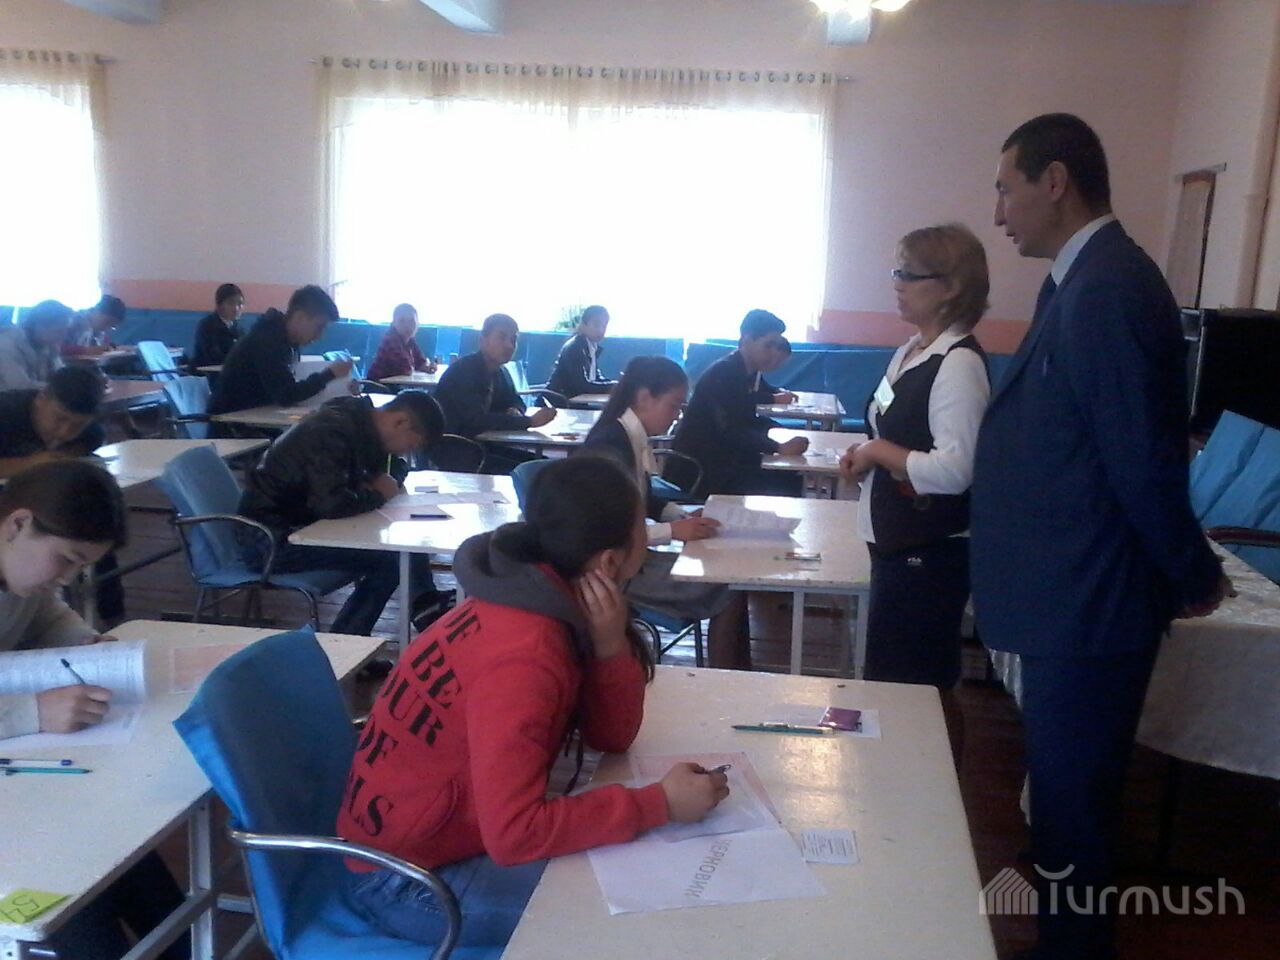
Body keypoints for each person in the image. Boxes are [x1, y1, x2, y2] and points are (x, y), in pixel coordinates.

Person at [972, 114, 1232, 960]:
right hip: (1069, 596)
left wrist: (1193, 574)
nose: (999, 213)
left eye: (1007, 189)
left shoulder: (1110, 288)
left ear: (1055, 181)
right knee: (1064, 811)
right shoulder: (1079, 283)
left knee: (1076, 813)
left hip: (1091, 603)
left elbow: (1142, 461)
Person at [337, 456, 729, 948]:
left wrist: (610, 647)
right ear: (609, 563)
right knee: (653, 915)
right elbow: (516, 834)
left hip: (433, 843)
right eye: (641, 529)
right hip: (406, 881)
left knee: (654, 873)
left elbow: (611, 738)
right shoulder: (525, 652)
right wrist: (659, 803)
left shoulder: (526, 594)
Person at [0, 461, 188, 960]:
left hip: (24, 775)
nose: (67, 578)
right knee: (81, 900)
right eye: (65, 560)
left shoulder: (21, 574)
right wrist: (31, 713)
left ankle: (177, 941)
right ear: (18, 524)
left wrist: (84, 645)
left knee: (127, 866)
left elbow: (46, 614)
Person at [839, 224, 992, 760]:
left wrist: (879, 452)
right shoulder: (912, 351)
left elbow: (957, 469)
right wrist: (864, 456)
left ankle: (933, 786)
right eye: (896, 272)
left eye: (910, 275)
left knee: (919, 687)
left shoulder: (959, 365)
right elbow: (890, 430)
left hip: (930, 550)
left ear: (951, 286)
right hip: (895, 540)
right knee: (898, 683)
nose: (897, 284)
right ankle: (903, 780)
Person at [583, 355, 753, 669]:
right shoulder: (607, 448)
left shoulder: (627, 436)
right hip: (611, 570)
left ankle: (738, 675)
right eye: (673, 406)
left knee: (733, 579)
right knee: (727, 586)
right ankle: (727, 679)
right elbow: (605, 530)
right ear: (644, 398)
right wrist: (673, 532)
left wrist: (680, 516)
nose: (676, 416)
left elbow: (641, 498)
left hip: (629, 557)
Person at [238, 390, 451, 635]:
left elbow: (394, 467)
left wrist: (385, 483)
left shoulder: (360, 423)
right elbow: (330, 504)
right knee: (389, 561)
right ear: (400, 422)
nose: (405, 453)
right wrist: (380, 493)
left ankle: (424, 603)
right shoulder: (330, 433)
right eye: (410, 446)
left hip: (300, 526)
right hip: (268, 541)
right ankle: (345, 640)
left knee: (402, 541)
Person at [666, 309, 808, 498]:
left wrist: (779, 432)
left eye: (777, 346)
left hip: (726, 457)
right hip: (702, 467)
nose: (774, 353)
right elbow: (731, 432)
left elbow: (746, 418)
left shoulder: (748, 372)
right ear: (747, 340)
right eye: (768, 345)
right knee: (786, 479)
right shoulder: (724, 374)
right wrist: (778, 447)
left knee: (790, 476)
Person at [432, 313, 555, 472]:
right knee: (536, 471)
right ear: (483, 340)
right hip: (453, 450)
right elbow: (477, 420)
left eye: (513, 339)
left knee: (545, 465)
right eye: (502, 337)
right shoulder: (464, 371)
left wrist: (515, 410)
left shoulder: (501, 371)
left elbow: (516, 401)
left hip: (482, 446)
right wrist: (529, 422)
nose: (509, 345)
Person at [207, 284, 353, 416]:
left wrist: (343, 388)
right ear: (300, 317)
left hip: (255, 419)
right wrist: (329, 375)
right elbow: (287, 395)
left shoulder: (288, 342)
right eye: (319, 326)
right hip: (231, 425)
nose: (319, 335)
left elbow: (294, 389)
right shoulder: (267, 341)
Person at [0, 366, 107, 478]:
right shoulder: (5, 411)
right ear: (41, 399)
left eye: (78, 425)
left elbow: (90, 442)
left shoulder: (92, 432)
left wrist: (65, 455)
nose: (64, 432)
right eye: (60, 418)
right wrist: (29, 463)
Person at [546, 304, 617, 402]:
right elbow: (582, 386)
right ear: (583, 325)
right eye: (596, 325)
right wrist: (615, 387)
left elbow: (595, 379)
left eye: (604, 326)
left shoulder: (591, 347)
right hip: (557, 402)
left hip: (573, 400)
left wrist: (617, 385)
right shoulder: (575, 348)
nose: (601, 330)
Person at [0, 299, 72, 390]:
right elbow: (20, 386)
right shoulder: (6, 346)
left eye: (66, 330)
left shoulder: (49, 345)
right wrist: (63, 389)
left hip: (34, 396)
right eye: (59, 331)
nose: (64, 336)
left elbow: (61, 375)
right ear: (39, 326)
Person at [366, 302, 437, 382]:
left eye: (411, 321)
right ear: (394, 323)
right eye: (401, 321)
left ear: (418, 324)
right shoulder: (390, 340)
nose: (407, 326)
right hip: (378, 386)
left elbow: (420, 363)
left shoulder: (410, 341)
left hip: (396, 385)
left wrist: (428, 367)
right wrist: (417, 367)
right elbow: (405, 368)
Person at [190, 283, 244, 370]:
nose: (236, 308)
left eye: (240, 304)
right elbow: (214, 357)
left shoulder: (239, 329)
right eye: (231, 303)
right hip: (205, 374)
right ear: (219, 305)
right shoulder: (207, 326)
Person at [63, 295, 127, 359]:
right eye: (107, 322)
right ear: (96, 311)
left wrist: (114, 348)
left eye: (112, 326)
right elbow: (59, 347)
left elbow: (102, 345)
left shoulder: (98, 330)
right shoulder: (70, 322)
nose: (107, 327)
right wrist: (85, 351)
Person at [751, 335, 797, 405]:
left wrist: (779, 391)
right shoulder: (740, 368)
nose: (776, 365)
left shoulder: (756, 371)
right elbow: (740, 397)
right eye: (777, 361)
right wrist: (774, 398)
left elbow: (764, 387)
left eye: (781, 362)